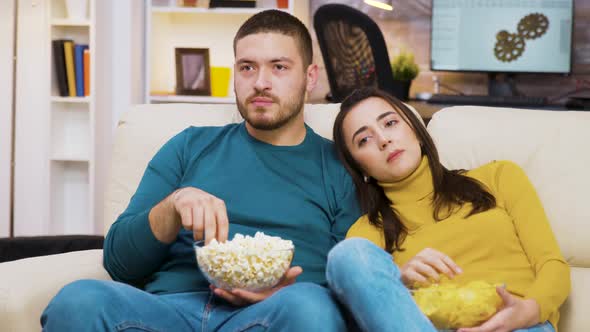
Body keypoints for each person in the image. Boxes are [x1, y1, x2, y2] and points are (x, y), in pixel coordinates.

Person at [41, 10, 361, 331]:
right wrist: (173, 206)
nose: (261, 83)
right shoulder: (189, 146)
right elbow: (119, 263)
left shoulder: (338, 166)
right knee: (78, 300)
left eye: (279, 67)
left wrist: (283, 290)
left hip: (273, 314)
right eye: (247, 67)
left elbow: (350, 275)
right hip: (170, 310)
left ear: (310, 77)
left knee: (310, 309)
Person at [325, 87, 570, 332]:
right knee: (346, 255)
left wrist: (528, 311)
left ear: (416, 132)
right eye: (364, 140)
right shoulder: (367, 234)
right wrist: (400, 282)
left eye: (390, 123)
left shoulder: (499, 177)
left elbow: (552, 264)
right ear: (360, 168)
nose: (383, 139)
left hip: (520, 325)